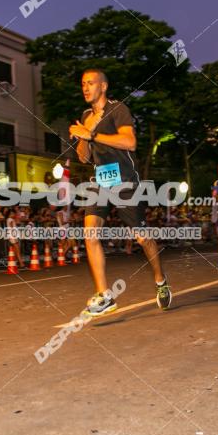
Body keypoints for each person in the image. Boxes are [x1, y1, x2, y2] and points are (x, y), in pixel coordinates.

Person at [68, 68, 171, 316]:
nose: (85, 87)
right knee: (89, 234)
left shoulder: (118, 109)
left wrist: (92, 133)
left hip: (124, 181)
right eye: (83, 83)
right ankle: (105, 296)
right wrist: (82, 137)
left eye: (90, 83)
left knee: (142, 238)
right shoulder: (85, 115)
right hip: (100, 180)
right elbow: (84, 157)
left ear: (103, 87)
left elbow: (130, 142)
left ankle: (160, 280)